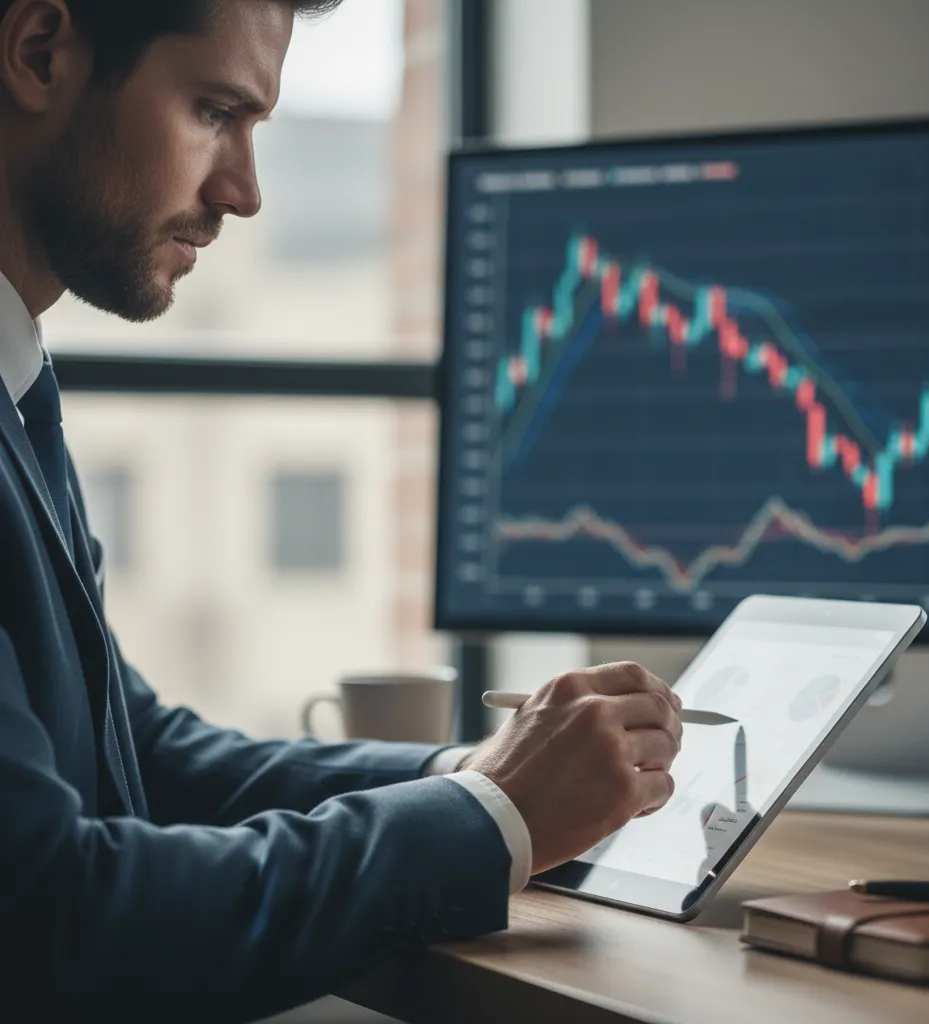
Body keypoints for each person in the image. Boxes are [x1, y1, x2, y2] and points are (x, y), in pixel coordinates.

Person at [0, 0, 683, 1017]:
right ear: (39, 53)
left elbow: (137, 751)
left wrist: (478, 772)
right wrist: (492, 814)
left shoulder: (16, 388)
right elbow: (53, 916)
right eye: (215, 111)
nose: (244, 192)